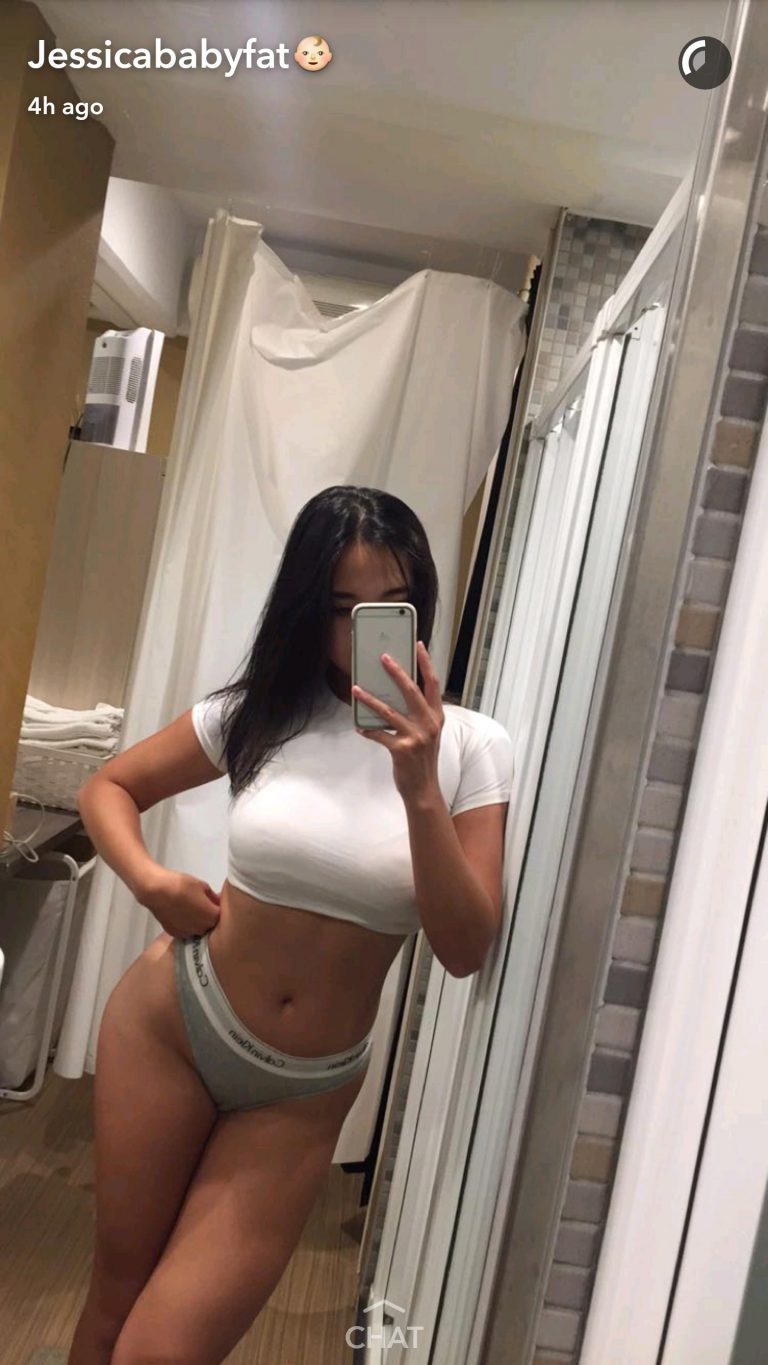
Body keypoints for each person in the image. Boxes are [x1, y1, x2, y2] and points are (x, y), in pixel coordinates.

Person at [68, 485, 514, 1365]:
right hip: (173, 1027)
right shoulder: (259, 713)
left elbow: (465, 948)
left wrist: (419, 786)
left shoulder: (471, 747)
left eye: (388, 605)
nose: (361, 634)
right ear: (309, 609)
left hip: (301, 1093)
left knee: (162, 1350)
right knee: (115, 1300)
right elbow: (107, 786)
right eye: (341, 608)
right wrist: (153, 882)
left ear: (420, 605)